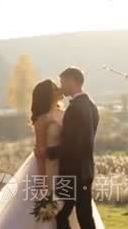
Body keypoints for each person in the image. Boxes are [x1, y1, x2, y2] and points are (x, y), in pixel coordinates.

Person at [0, 75, 103, 229]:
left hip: (67, 167)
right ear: (49, 95)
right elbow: (40, 152)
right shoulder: (42, 119)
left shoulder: (67, 112)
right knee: (53, 209)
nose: (60, 89)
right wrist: (42, 182)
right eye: (55, 89)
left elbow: (73, 141)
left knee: (67, 209)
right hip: (49, 168)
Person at [47, 67, 100, 229]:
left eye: (63, 82)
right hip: (85, 169)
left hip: (74, 170)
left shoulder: (76, 108)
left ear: (73, 81)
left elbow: (75, 143)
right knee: (78, 215)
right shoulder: (91, 105)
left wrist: (50, 152)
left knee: (68, 215)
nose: (61, 86)